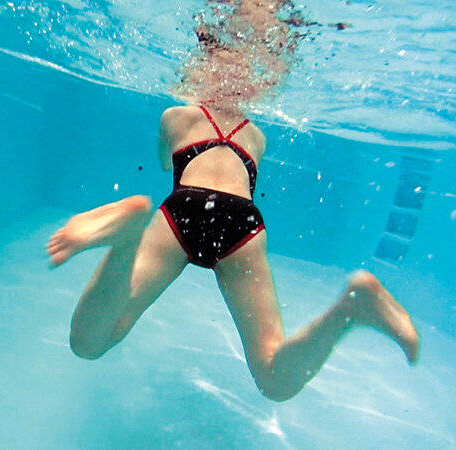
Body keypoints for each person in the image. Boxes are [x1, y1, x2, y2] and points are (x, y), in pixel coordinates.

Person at [46, 1, 420, 402]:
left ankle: (125, 238)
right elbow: (242, 187)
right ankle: (351, 308)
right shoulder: (258, 136)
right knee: (273, 376)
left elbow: (163, 162)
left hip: (182, 211)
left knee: (90, 343)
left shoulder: (178, 115)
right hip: (243, 225)